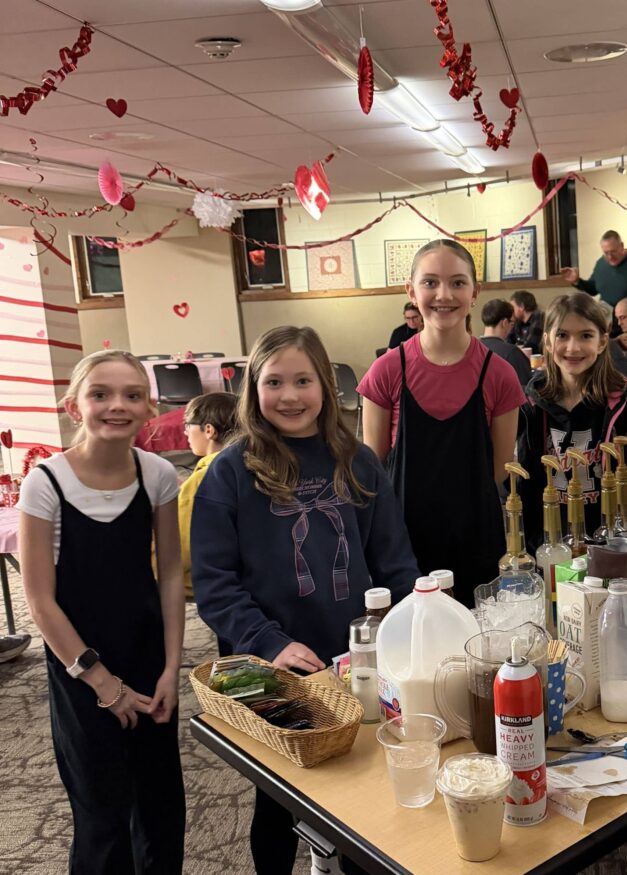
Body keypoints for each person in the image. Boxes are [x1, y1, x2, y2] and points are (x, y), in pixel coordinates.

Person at [191, 325, 419, 875]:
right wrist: (270, 643)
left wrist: (415, 622)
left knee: (365, 782)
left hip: (355, 657)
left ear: (325, 384)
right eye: (273, 382)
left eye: (303, 380)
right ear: (253, 389)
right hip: (274, 668)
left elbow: (394, 560)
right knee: (278, 797)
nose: (289, 395)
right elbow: (215, 585)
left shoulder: (359, 462)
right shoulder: (230, 472)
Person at [18, 349, 185, 874]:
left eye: (132, 395)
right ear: (74, 407)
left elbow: (172, 575)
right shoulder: (44, 483)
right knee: (101, 809)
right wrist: (102, 684)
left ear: (149, 407)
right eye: (101, 394)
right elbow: (40, 601)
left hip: (147, 656)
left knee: (160, 807)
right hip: (78, 665)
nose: (118, 405)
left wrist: (171, 669)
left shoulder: (157, 474)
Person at [359, 240, 525, 605]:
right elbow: (373, 466)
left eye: (458, 283)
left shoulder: (499, 375)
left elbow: (498, 470)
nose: (443, 294)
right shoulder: (387, 371)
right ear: (411, 291)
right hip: (403, 544)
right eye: (430, 282)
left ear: (475, 292)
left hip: (477, 539)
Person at [517, 293, 627, 551]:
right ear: (546, 341)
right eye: (562, 335)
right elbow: (524, 487)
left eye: (586, 336)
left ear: (603, 342)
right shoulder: (531, 407)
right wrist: (536, 547)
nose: (573, 347)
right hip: (554, 556)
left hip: (619, 557)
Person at [179, 391, 237, 598]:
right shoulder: (256, 468)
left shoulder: (201, 481)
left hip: (207, 587)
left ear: (209, 430)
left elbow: (181, 553)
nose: (185, 433)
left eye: (187, 425)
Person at [560, 230, 627, 327]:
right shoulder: (600, 264)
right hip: (608, 325)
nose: (610, 257)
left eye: (613, 252)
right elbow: (593, 289)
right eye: (606, 253)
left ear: (622, 246)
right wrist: (577, 281)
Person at [480, 298, 533, 387]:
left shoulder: (470, 350)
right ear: (504, 323)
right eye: (512, 324)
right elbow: (529, 388)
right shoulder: (511, 353)